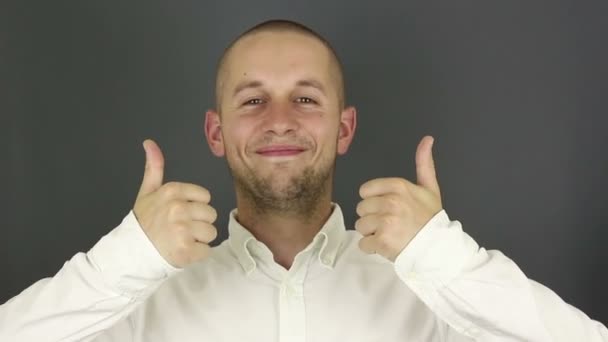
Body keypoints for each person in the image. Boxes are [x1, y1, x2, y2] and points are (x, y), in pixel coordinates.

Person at [0, 19, 606, 342]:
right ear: (216, 133)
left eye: (306, 99)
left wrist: (444, 257)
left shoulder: (431, 290)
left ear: (345, 128)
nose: (281, 121)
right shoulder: (142, 294)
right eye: (253, 100)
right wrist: (125, 257)